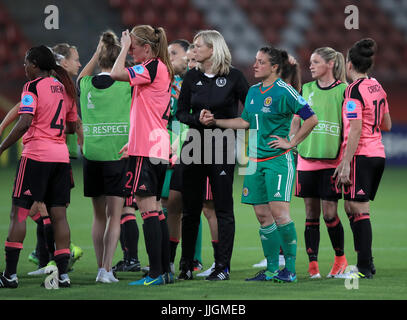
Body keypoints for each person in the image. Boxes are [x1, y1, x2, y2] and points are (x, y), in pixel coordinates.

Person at [201, 46, 318, 283]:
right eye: (255, 60)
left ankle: (290, 270)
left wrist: (291, 143)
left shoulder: (285, 91)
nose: (255, 65)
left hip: (277, 161)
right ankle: (272, 269)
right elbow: (245, 122)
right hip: (254, 162)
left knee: (280, 214)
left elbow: (311, 118)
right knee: (263, 216)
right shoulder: (253, 91)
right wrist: (216, 121)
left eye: (261, 62)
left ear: (274, 67)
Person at [0, 45, 77, 288]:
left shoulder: (32, 87)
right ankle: (62, 276)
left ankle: (10, 276)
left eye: (26, 62)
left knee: (19, 213)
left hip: (35, 157)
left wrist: (1, 147)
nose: (24, 67)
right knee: (59, 216)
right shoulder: (65, 89)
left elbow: (24, 122)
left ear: (35, 64)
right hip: (60, 158)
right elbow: (72, 127)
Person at [176, 30, 249, 281]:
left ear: (212, 49)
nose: (193, 51)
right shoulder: (191, 77)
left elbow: (249, 114)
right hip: (194, 146)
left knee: (223, 208)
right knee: (191, 208)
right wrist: (197, 118)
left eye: (197, 46)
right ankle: (186, 264)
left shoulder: (235, 77)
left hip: (222, 145)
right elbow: (180, 113)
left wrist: (217, 121)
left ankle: (222, 267)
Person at [111, 24, 174, 286]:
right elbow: (146, 110)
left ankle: (156, 273)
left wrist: (123, 45)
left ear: (147, 48)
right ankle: (164, 271)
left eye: (135, 46)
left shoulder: (151, 67)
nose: (131, 50)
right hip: (156, 145)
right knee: (156, 209)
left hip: (147, 150)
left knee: (147, 210)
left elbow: (114, 73)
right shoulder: (159, 68)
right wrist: (131, 141)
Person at [77, 31, 134, 283]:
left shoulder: (85, 85)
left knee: (98, 216)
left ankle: (101, 265)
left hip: (92, 156)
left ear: (100, 58)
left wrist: (97, 51)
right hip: (117, 156)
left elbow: (81, 75)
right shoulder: (125, 85)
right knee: (115, 215)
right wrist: (126, 48)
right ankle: (106, 270)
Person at [334, 38, 391, 279]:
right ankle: (366, 260)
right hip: (378, 153)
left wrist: (346, 161)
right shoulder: (377, 86)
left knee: (358, 208)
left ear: (349, 65)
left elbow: (355, 128)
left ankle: (364, 267)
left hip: (361, 155)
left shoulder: (353, 89)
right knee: (351, 207)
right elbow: (386, 123)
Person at [290, 47, 349, 279]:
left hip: (331, 162)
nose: (311, 65)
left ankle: (340, 260)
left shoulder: (344, 91)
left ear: (330, 64)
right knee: (310, 214)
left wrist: (345, 161)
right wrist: (292, 143)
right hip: (306, 160)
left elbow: (349, 128)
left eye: (315, 62)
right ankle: (313, 266)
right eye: (310, 62)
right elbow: (296, 119)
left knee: (329, 214)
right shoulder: (306, 89)